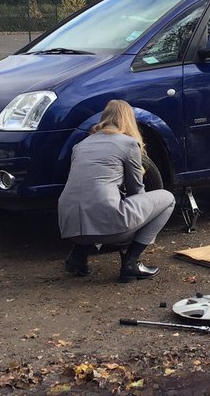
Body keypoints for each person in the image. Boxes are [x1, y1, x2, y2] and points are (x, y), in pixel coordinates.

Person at [57, 98, 176, 282]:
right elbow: (137, 189)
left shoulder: (80, 146)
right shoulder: (128, 144)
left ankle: (78, 257)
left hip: (69, 225)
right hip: (109, 227)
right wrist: (140, 220)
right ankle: (131, 262)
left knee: (93, 199)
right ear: (129, 119)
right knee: (167, 199)